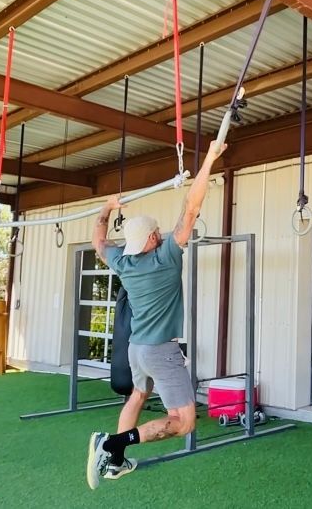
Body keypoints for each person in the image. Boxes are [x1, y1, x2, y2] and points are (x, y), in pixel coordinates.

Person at [86, 140, 227, 489]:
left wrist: (106, 208)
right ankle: (112, 444)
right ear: (152, 236)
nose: (162, 234)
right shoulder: (166, 257)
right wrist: (209, 158)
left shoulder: (122, 261)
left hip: (137, 348)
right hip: (161, 351)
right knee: (184, 422)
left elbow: (98, 242)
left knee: (137, 395)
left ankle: (115, 462)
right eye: (158, 233)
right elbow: (191, 208)